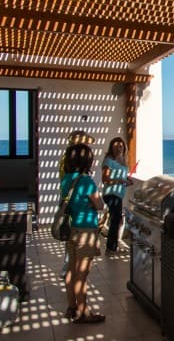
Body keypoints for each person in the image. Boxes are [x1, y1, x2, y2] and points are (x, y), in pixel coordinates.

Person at [61, 143, 105, 323]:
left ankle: (71, 306)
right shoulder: (86, 180)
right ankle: (83, 312)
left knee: (71, 270)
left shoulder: (66, 179)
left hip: (72, 230)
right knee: (82, 274)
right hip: (86, 230)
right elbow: (99, 204)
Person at [59, 130, 95, 279]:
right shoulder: (83, 177)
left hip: (68, 203)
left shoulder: (66, 163)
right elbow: (97, 202)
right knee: (80, 265)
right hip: (82, 216)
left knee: (70, 239)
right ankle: (71, 269)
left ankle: (68, 269)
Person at [101, 137, 132, 255]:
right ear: (111, 148)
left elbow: (120, 176)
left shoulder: (122, 161)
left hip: (118, 194)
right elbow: (105, 179)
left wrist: (126, 180)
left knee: (117, 220)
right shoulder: (109, 161)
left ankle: (113, 246)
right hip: (111, 194)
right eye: (115, 146)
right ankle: (110, 249)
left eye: (120, 146)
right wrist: (121, 180)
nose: (118, 148)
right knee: (115, 220)